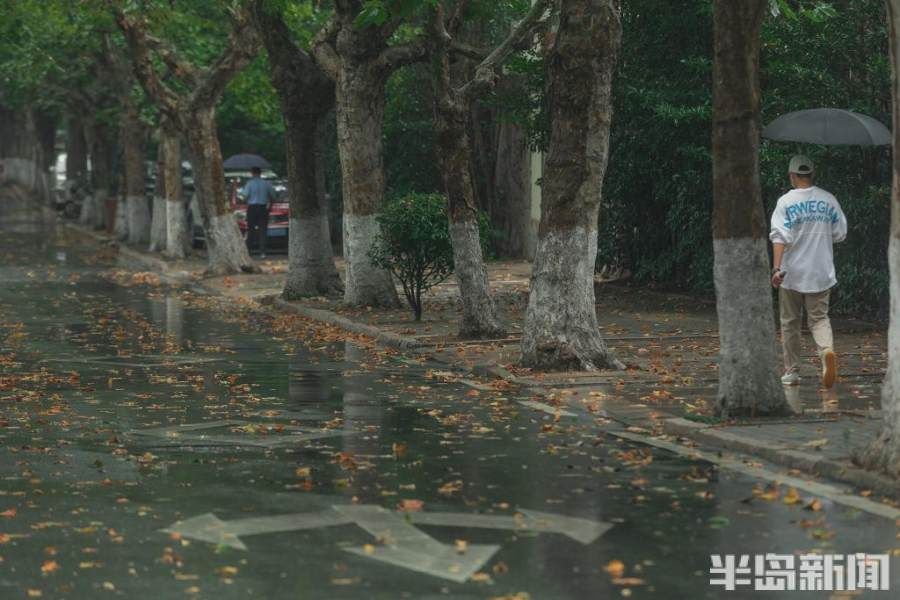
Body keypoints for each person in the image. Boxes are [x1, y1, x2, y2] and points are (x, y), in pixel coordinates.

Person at [769, 155, 847, 388]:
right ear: (812, 174)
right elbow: (840, 234)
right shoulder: (829, 200)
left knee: (790, 322)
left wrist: (776, 268)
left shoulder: (785, 201)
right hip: (821, 272)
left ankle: (792, 371)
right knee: (819, 319)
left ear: (792, 176)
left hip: (791, 274)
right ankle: (826, 353)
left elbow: (779, 237)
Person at [240, 166, 275, 258]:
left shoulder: (249, 184)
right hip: (263, 208)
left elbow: (244, 196)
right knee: (263, 230)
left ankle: (249, 251)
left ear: (252, 173)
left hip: (252, 208)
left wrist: (245, 199)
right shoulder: (267, 183)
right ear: (260, 173)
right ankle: (262, 252)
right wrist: (270, 205)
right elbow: (273, 196)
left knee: (250, 230)